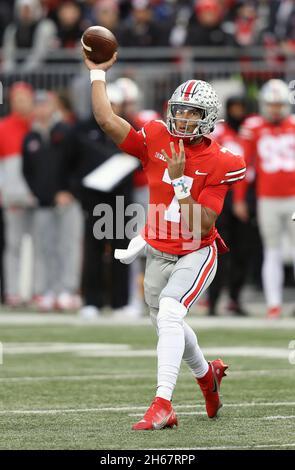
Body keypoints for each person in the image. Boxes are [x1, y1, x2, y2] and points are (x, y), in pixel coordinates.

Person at [83, 51, 246, 430]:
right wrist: (96, 75)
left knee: (172, 313)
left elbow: (201, 225)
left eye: (190, 112)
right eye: (178, 110)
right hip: (157, 248)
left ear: (207, 119)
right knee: (167, 324)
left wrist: (178, 181)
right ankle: (208, 376)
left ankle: (163, 404)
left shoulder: (223, 160)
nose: (181, 118)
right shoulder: (157, 135)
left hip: (196, 250)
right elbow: (107, 120)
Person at [234, 79, 295, 319]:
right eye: (271, 104)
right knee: (272, 250)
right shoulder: (253, 127)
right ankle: (274, 304)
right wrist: (239, 198)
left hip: (293, 197)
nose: (275, 109)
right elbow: (243, 166)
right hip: (267, 198)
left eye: (279, 104)